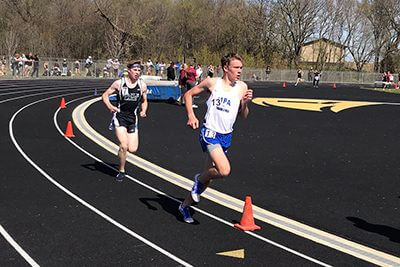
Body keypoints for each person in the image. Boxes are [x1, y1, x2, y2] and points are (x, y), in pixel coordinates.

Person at [178, 53, 253, 223]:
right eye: (236, 67)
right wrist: (191, 115)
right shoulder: (213, 83)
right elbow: (188, 95)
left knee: (208, 178)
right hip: (210, 132)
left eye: (241, 68)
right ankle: (198, 179)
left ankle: (184, 206)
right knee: (224, 170)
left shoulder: (242, 87)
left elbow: (244, 115)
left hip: (226, 135)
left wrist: (245, 103)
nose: (239, 71)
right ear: (226, 68)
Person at [102, 60, 148, 181]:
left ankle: (122, 151)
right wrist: (110, 106)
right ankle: (121, 170)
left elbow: (144, 100)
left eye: (139, 70)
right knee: (124, 145)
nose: (137, 72)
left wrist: (143, 110)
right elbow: (105, 95)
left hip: (133, 118)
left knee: (132, 149)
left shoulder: (142, 85)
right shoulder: (119, 83)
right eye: (135, 70)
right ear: (129, 71)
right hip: (120, 116)